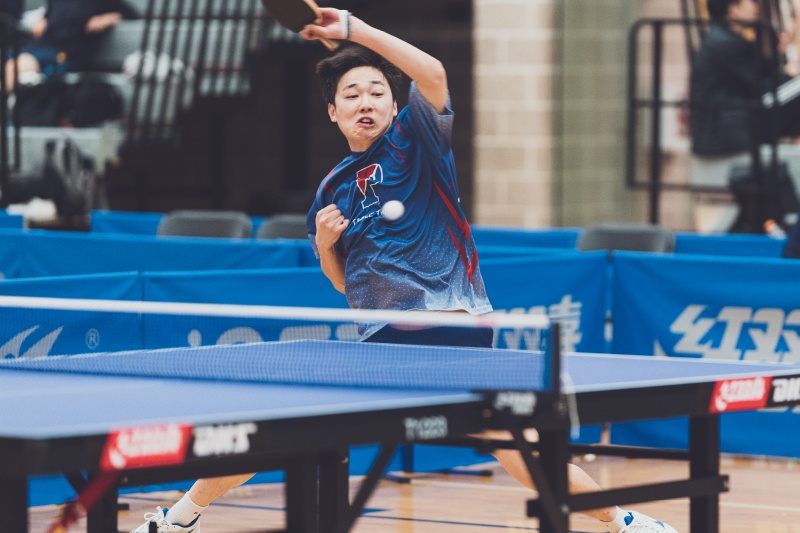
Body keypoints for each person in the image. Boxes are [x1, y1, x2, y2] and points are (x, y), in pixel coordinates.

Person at [131, 9, 677, 533]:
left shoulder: (418, 143)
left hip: (451, 327)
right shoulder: (331, 190)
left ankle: (622, 521)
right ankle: (182, 515)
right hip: (385, 341)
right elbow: (350, 285)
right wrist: (324, 245)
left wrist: (355, 31)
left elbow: (434, 73)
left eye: (377, 93)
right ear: (333, 112)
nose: (365, 102)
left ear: (395, 107)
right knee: (283, 425)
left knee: (516, 445)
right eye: (352, 95)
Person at [690, 0, 800, 156]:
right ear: (733, 10)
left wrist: (778, 50)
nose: (756, 8)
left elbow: (763, 74)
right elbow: (761, 86)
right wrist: (789, 75)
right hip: (727, 131)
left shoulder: (728, 38)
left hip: (736, 122)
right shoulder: (724, 42)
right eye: (751, 2)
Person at [4, 0, 138, 89]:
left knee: (17, 65)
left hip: (66, 53)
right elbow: (48, 16)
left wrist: (109, 18)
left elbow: (130, 13)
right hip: (40, 44)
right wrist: (43, 20)